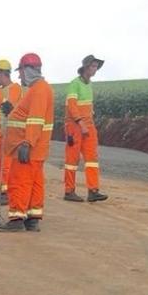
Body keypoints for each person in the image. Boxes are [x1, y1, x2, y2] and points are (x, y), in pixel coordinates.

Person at [0, 53, 54, 232]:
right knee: (35, 181)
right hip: (35, 147)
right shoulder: (40, 89)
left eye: (20, 71)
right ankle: (32, 217)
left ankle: (16, 218)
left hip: (28, 146)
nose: (19, 76)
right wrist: (13, 111)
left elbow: (35, 120)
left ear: (28, 70)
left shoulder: (39, 90)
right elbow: (29, 116)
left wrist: (27, 143)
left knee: (19, 181)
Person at [64, 54, 108, 202]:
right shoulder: (74, 84)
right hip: (75, 126)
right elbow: (72, 106)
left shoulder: (89, 84)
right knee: (72, 159)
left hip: (88, 125)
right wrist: (81, 123)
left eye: (96, 67)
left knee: (92, 159)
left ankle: (93, 190)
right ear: (86, 67)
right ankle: (69, 191)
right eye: (93, 66)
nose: (95, 69)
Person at [0, 59, 24, 205]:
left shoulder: (15, 88)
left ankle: (7, 193)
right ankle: (1, 191)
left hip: (6, 134)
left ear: (1, 73)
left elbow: (9, 107)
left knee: (6, 165)